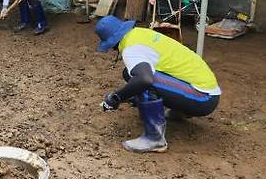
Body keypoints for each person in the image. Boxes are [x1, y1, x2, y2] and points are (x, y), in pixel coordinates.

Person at [95, 16, 222, 153]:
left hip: (203, 98)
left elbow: (145, 80)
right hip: (205, 91)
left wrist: (116, 97)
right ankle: (179, 111)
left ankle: (154, 139)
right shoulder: (141, 33)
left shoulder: (131, 49)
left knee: (143, 81)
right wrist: (129, 96)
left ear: (111, 43)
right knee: (131, 73)